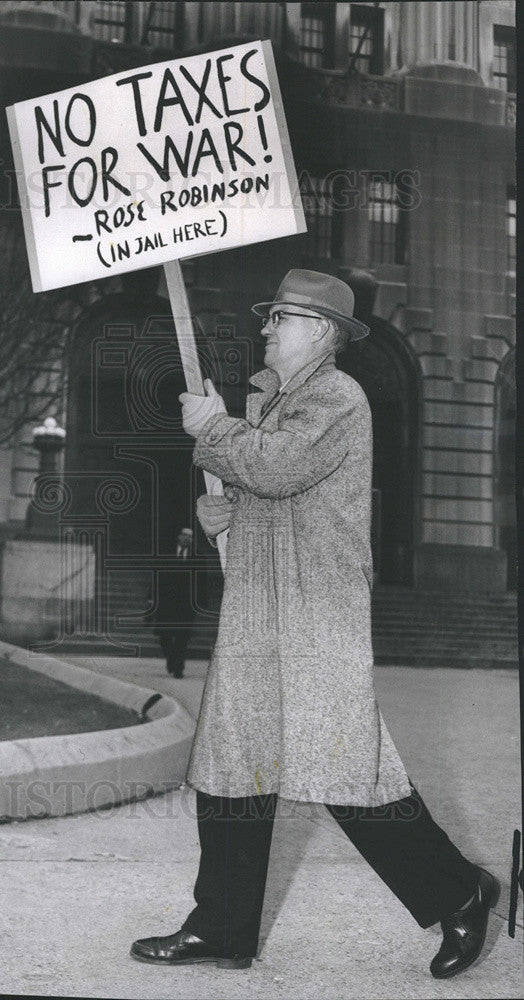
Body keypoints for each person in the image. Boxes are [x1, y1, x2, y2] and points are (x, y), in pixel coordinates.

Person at [130, 269, 499, 978]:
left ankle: (458, 895)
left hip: (317, 612)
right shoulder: (273, 401)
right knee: (234, 762)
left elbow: (278, 466)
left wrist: (212, 428)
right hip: (260, 607)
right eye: (268, 316)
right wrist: (215, 521)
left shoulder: (336, 396)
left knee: (343, 771)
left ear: (321, 333)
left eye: (281, 318)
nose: (265, 327)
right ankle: (222, 928)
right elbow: (262, 494)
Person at [152, 526, 194, 678]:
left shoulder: (197, 557)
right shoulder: (167, 554)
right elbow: (158, 577)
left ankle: (178, 668)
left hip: (186, 606)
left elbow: (201, 582)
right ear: (179, 537)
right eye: (184, 535)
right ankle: (171, 660)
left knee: (182, 639)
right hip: (167, 604)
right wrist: (152, 597)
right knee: (165, 637)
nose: (186, 538)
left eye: (190, 536)